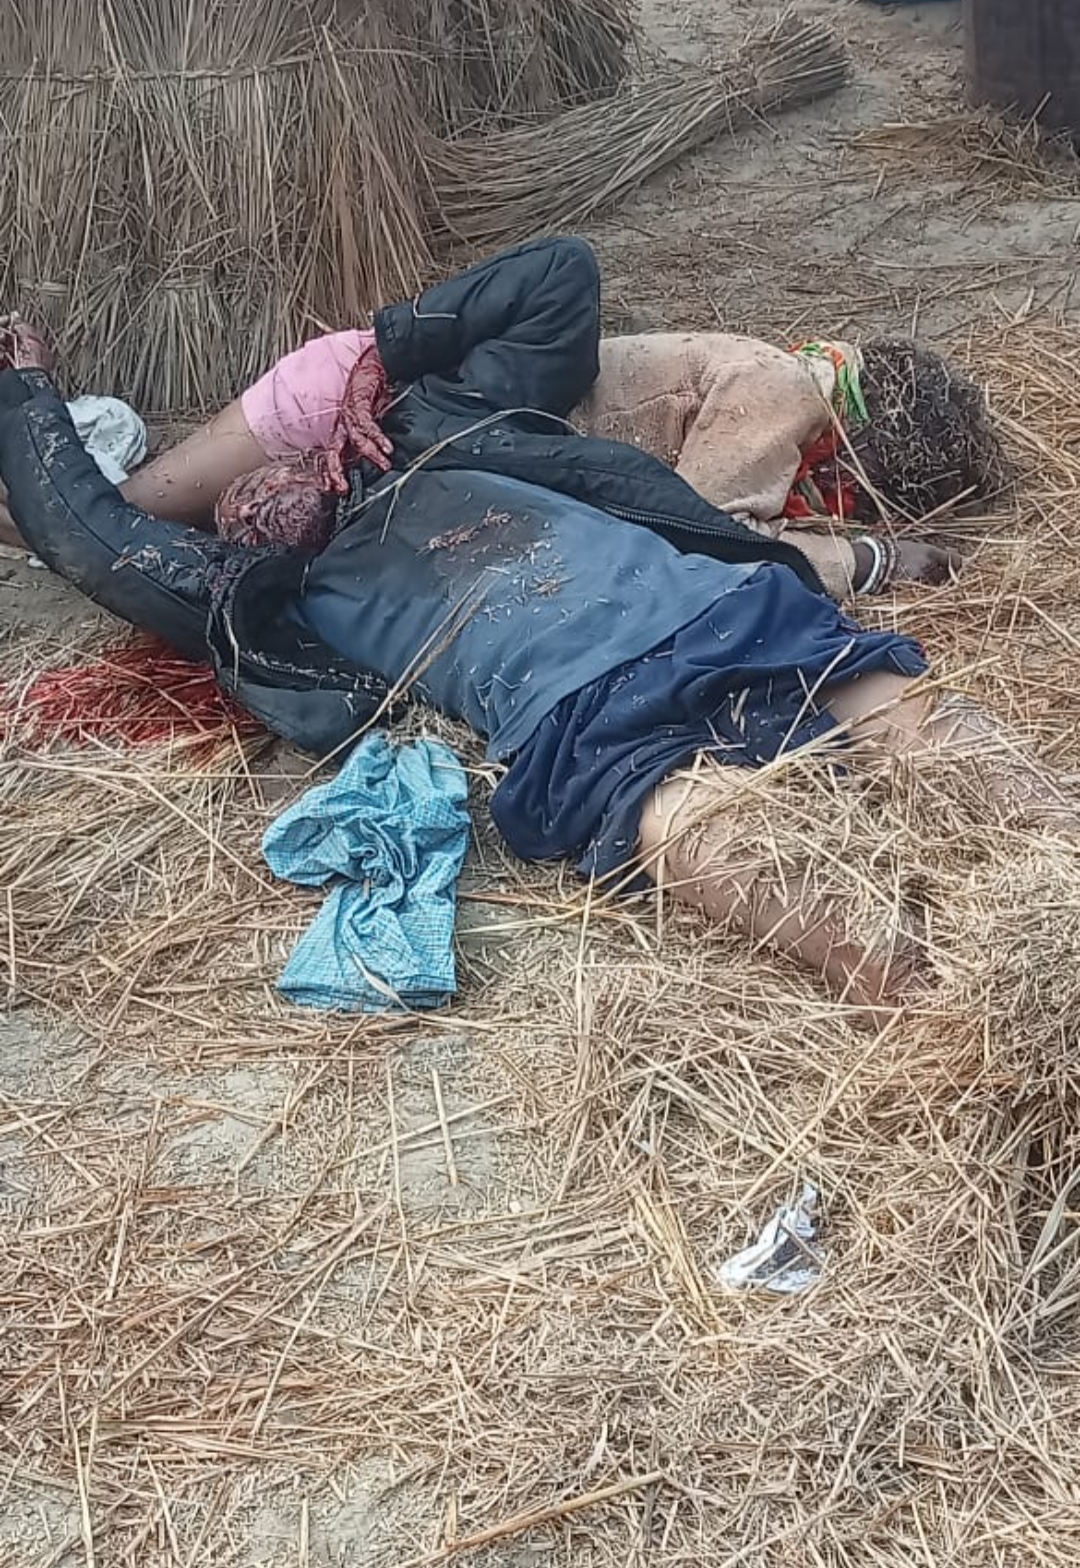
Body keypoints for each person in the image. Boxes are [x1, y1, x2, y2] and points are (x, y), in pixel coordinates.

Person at [0, 238, 1065, 1020]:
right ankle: (945, 1000)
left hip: (701, 600)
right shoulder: (266, 602)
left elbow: (560, 274)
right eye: (232, 514)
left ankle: (1059, 851)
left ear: (322, 462)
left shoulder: (436, 431)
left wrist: (382, 356)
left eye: (264, 479)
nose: (248, 500)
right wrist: (27, 394)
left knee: (894, 704)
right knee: (683, 818)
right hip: (571, 705)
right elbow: (92, 535)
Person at [0, 288, 1003, 601]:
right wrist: (871, 563)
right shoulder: (783, 392)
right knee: (111, 519)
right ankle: (25, 410)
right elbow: (704, 541)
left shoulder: (782, 378)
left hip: (401, 433)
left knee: (140, 524)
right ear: (876, 440)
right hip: (353, 412)